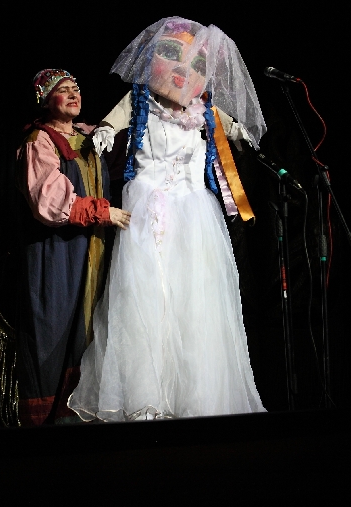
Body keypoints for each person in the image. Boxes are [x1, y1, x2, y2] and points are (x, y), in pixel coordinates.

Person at [68, 18, 266, 421]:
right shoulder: (142, 101)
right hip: (150, 209)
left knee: (194, 302)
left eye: (195, 63)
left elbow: (234, 129)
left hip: (195, 215)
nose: (182, 70)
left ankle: (197, 399)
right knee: (148, 298)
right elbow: (114, 119)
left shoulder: (204, 111)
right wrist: (105, 130)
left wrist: (242, 133)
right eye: (172, 55)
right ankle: (147, 399)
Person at [15, 69, 130, 425]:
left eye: (76, 88)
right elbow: (47, 200)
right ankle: (50, 423)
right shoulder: (40, 141)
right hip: (57, 253)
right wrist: (102, 212)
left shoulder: (89, 137)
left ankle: (87, 414)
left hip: (94, 248)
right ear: (45, 100)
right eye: (62, 90)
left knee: (93, 328)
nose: (72, 94)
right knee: (56, 331)